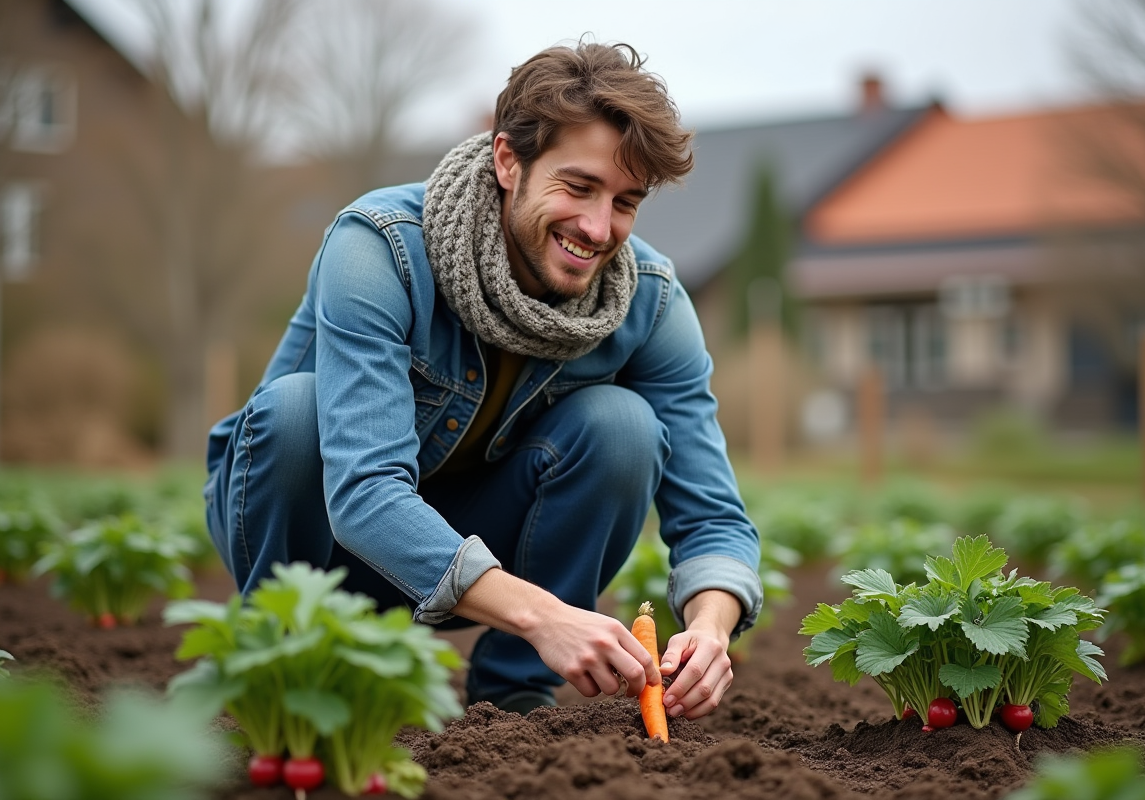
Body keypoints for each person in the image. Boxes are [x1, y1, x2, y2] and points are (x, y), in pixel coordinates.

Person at [204, 40, 762, 720]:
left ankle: (513, 707)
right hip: (319, 536)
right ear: (507, 160)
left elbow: (712, 516)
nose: (597, 227)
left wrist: (710, 627)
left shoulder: (648, 299)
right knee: (296, 413)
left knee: (623, 430)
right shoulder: (379, 247)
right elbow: (364, 493)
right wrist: (542, 614)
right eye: (578, 186)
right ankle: (284, 673)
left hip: (474, 542)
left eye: (625, 202)